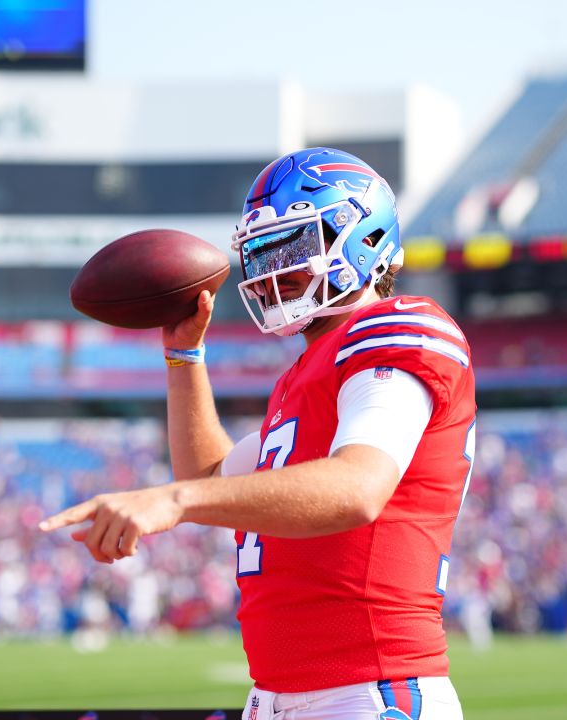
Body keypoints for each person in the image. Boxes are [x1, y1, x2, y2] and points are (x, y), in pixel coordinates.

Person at [41, 147, 477, 720]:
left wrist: (173, 500)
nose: (273, 269)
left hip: (370, 692)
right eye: (263, 252)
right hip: (280, 696)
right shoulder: (307, 372)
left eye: (293, 246)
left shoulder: (398, 327)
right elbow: (208, 479)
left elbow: (357, 489)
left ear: (362, 239)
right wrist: (183, 354)